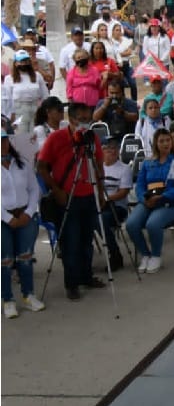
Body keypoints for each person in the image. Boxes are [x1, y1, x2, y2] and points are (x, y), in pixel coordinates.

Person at [36, 102, 107, 300]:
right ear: (71, 119)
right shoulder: (56, 138)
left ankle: (86, 276)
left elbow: (99, 164)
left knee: (86, 239)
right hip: (67, 197)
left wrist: (101, 192)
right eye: (81, 119)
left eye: (88, 119)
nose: (84, 123)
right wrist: (56, 189)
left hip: (89, 195)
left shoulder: (92, 137)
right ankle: (72, 283)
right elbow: (41, 166)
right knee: (71, 241)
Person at [124, 128, 174, 274]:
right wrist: (143, 199)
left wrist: (164, 196)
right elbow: (139, 185)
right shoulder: (148, 163)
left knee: (152, 224)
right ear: (155, 144)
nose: (165, 144)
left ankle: (156, 256)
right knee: (131, 224)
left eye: (168, 140)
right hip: (148, 201)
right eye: (161, 141)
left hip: (169, 203)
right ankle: (145, 254)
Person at [2, 129, 45, 319]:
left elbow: (34, 189)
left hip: (25, 215)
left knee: (26, 257)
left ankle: (29, 295)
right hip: (3, 219)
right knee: (5, 261)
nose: (2, 145)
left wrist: (29, 212)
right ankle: (8, 299)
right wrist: (7, 217)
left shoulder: (22, 163)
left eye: (4, 140)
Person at [99, 137, 132, 272]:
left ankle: (115, 254)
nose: (112, 151)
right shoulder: (97, 167)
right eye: (107, 148)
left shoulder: (124, 168)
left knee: (102, 220)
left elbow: (123, 192)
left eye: (115, 148)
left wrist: (105, 199)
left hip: (117, 206)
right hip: (98, 204)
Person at [2, 50, 49, 131]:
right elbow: (8, 100)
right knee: (22, 134)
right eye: (21, 61)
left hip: (35, 110)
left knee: (37, 133)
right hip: (18, 112)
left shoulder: (37, 76)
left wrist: (42, 111)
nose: (24, 64)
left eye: (26, 61)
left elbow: (45, 95)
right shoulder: (9, 79)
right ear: (16, 63)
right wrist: (11, 116)